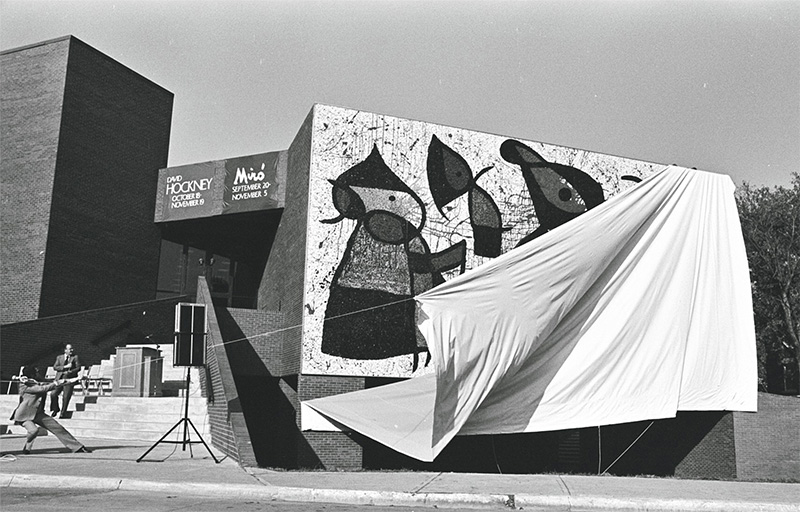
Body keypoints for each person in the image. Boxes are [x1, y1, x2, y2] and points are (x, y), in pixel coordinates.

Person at [10, 365, 91, 454]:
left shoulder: (35, 381)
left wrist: (76, 379)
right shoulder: (24, 385)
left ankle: (77, 447)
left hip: (38, 413)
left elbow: (55, 382)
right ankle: (28, 446)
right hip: (24, 414)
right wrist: (55, 384)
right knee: (33, 430)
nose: (38, 374)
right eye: (36, 372)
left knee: (57, 427)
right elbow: (43, 389)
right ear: (32, 374)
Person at [49, 344, 80, 418]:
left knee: (66, 396)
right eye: (70, 349)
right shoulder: (59, 357)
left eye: (72, 349)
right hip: (59, 379)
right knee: (53, 394)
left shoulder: (75, 357)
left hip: (68, 379)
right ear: (65, 350)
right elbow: (55, 367)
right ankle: (55, 408)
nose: (71, 350)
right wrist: (65, 367)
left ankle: (63, 412)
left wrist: (70, 372)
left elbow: (78, 368)